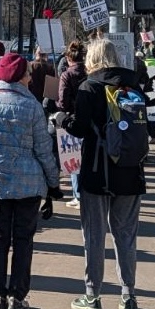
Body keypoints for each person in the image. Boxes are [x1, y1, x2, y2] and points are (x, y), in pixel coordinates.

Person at [0, 52, 60, 309]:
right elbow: (43, 150)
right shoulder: (33, 108)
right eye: (28, 74)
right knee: (23, 239)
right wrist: (54, 183)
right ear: (20, 78)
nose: (31, 78)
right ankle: (18, 296)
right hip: (28, 183)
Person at [63, 37, 147, 309]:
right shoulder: (133, 85)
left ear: (92, 58)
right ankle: (129, 297)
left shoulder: (90, 87)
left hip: (97, 171)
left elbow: (79, 128)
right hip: (130, 170)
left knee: (94, 236)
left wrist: (62, 119)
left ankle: (92, 295)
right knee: (126, 236)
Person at [56, 40, 88, 207]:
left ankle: (78, 195)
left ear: (68, 58)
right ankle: (86, 193)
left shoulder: (66, 75)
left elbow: (62, 102)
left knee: (74, 159)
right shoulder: (90, 73)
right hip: (90, 119)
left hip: (72, 119)